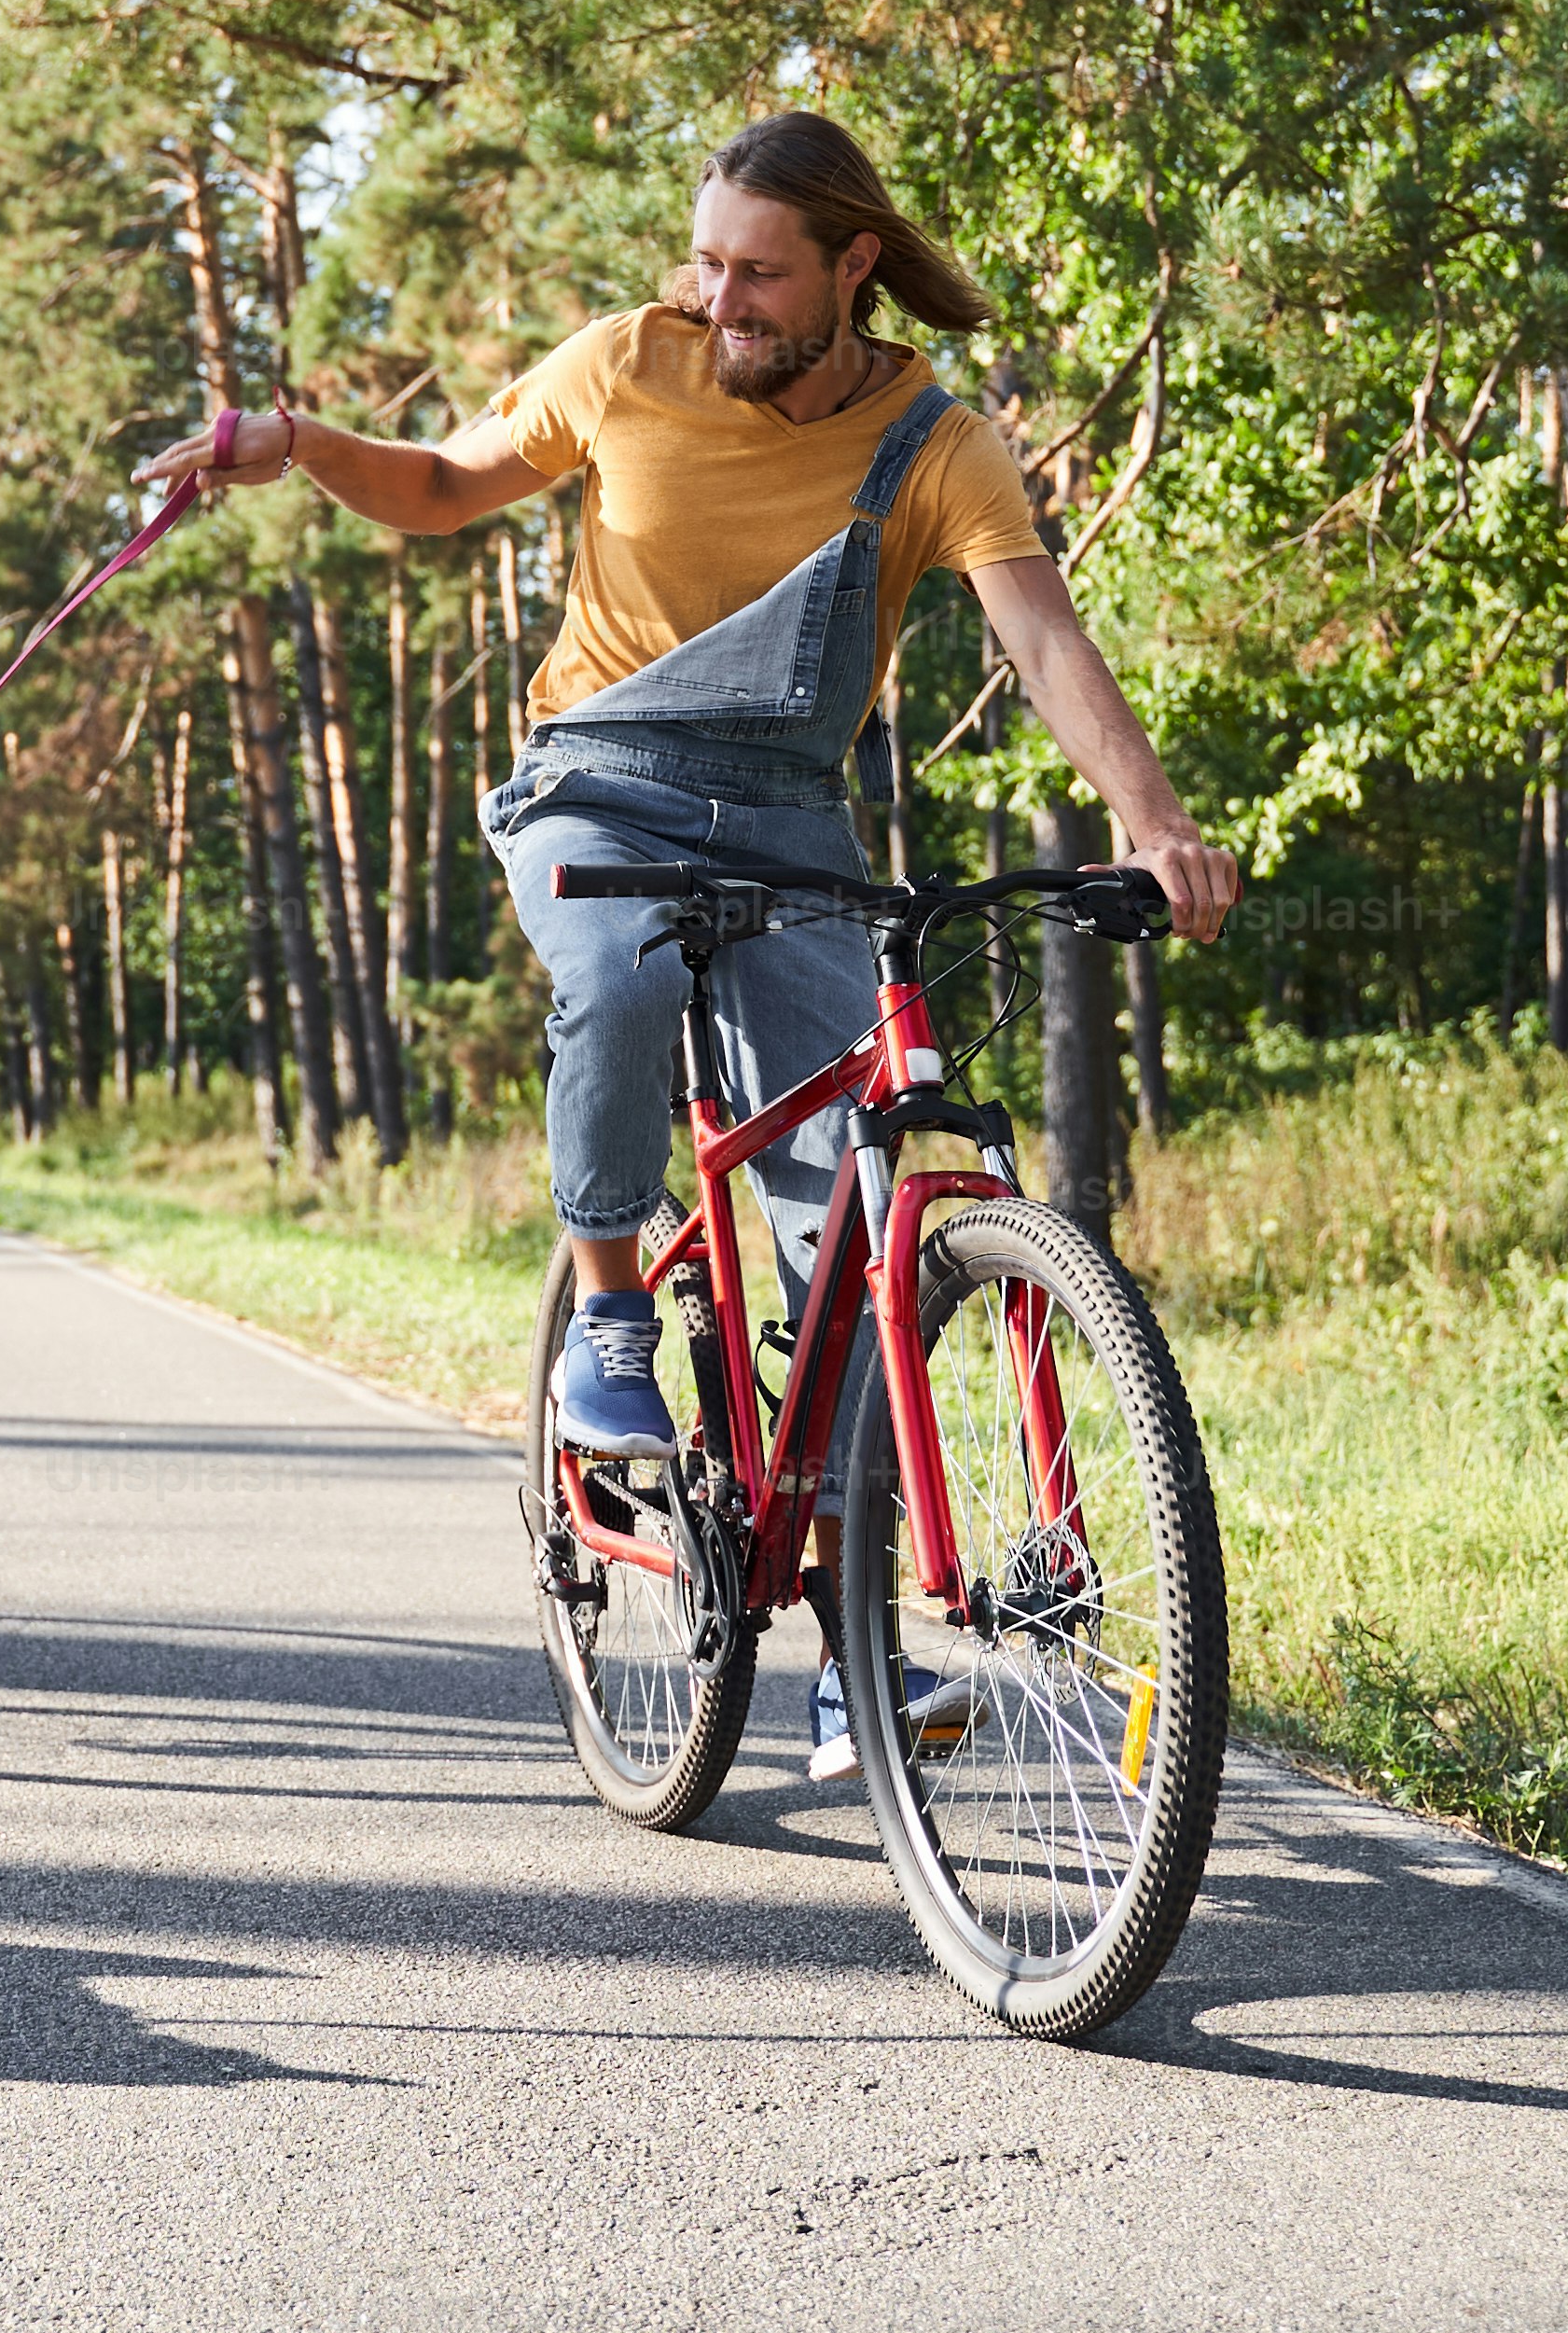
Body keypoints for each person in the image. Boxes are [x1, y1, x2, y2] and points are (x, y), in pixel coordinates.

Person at [135, 111, 1241, 1770]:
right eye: (707, 261)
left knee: (855, 1248)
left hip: (794, 826)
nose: (716, 297)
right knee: (623, 976)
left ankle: (846, 1649)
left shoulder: (941, 445)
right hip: (601, 785)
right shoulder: (622, 365)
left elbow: (1044, 639)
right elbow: (443, 484)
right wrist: (287, 442)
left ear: (854, 268)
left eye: (757, 273)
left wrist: (1153, 820)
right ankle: (604, 1333)